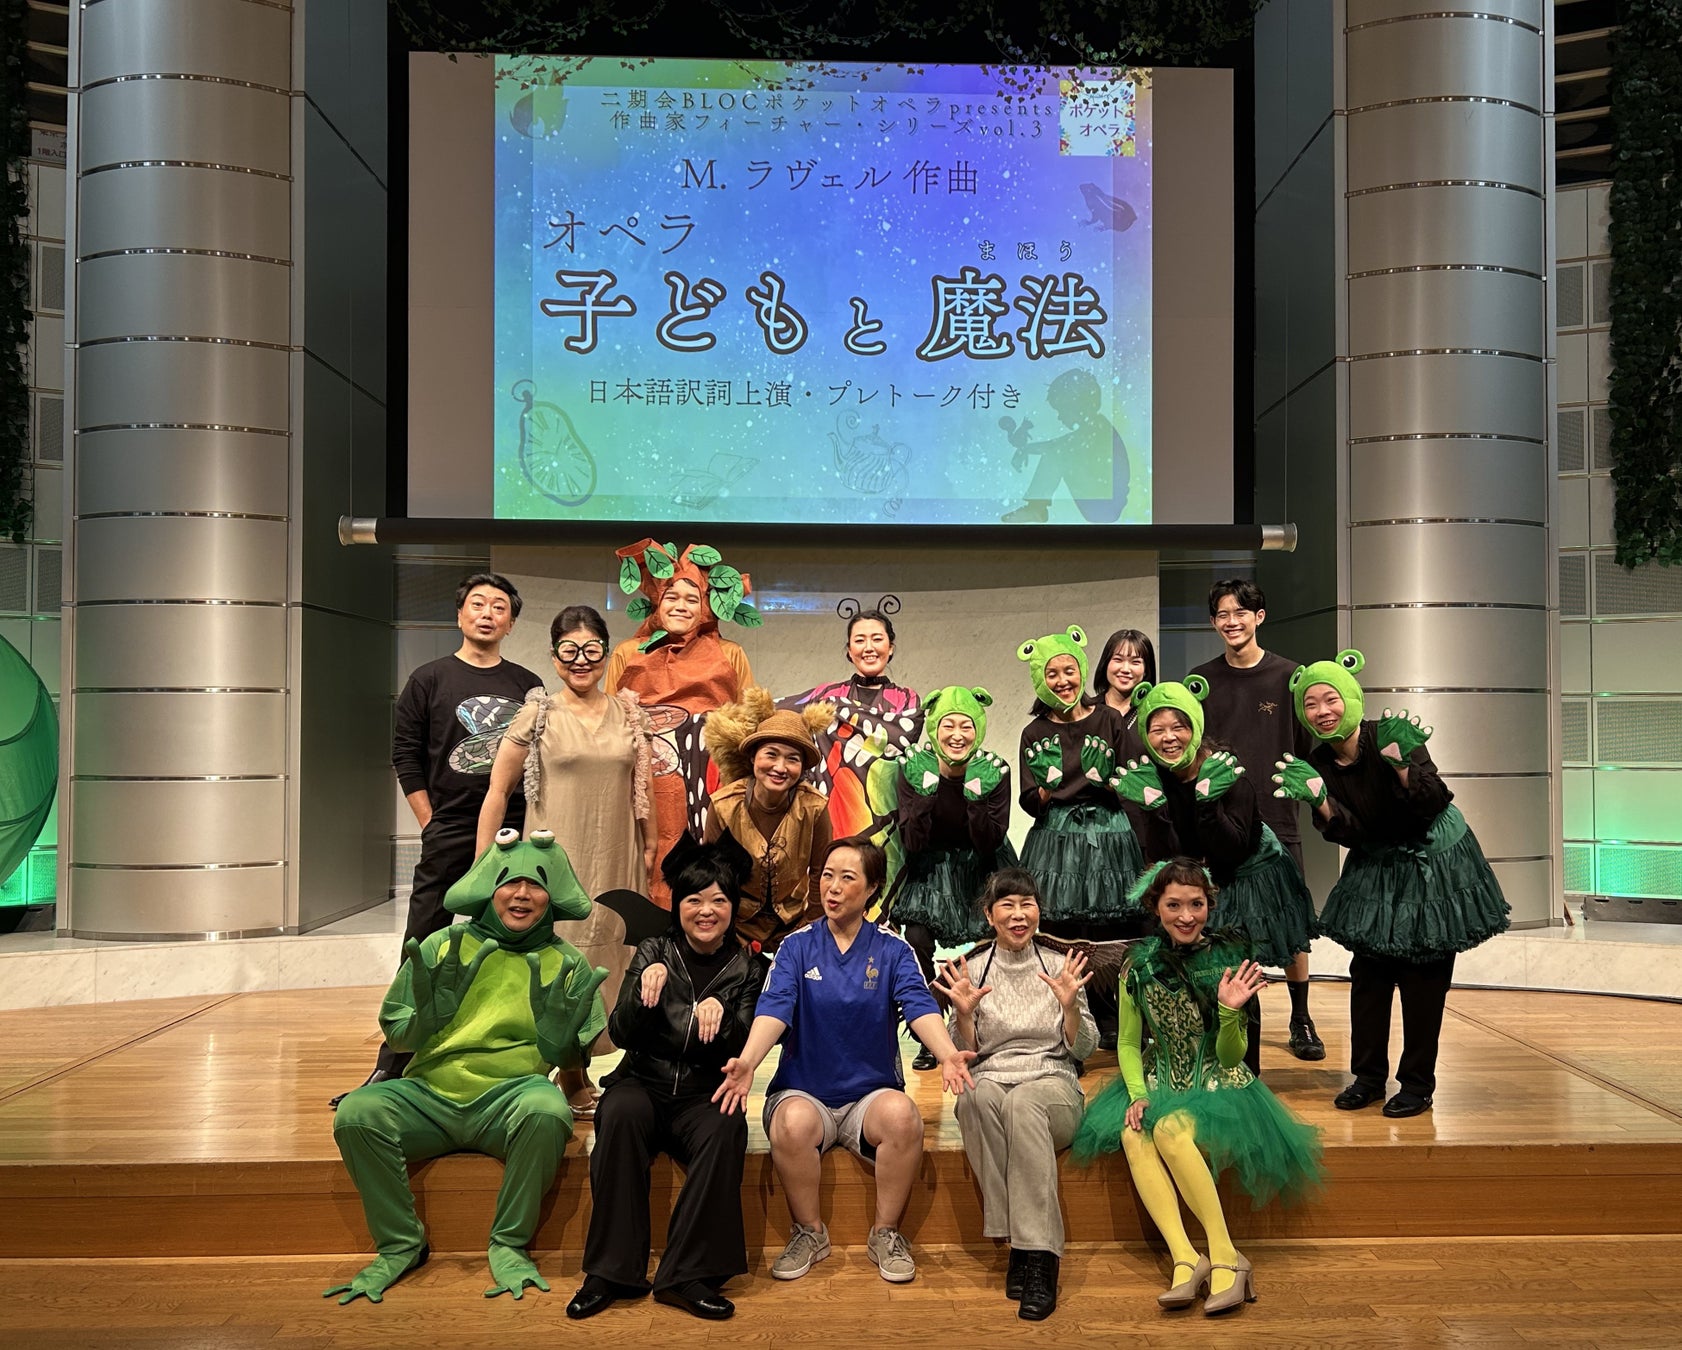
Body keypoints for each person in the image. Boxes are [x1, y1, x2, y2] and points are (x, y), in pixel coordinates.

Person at [324, 831, 608, 1306]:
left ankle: (509, 1243)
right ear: (488, 888)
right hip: (428, 1096)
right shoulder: (443, 945)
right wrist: (424, 1022)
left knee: (546, 1110)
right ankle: (399, 1244)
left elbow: (572, 1060)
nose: (522, 894)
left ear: (554, 894)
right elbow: (398, 1037)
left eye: (537, 884)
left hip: (511, 1098)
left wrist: (562, 1048)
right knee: (357, 1113)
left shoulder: (568, 963)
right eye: (509, 881)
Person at [713, 837, 977, 1285]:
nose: (832, 887)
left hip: (869, 1097)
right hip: (804, 1092)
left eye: (847, 878)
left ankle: (886, 1233)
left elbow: (918, 1005)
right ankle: (809, 1232)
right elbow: (775, 1007)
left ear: (872, 888)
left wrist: (948, 1054)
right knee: (791, 1123)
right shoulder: (796, 947)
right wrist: (749, 1061)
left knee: (903, 1117)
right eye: (827, 876)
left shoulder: (893, 950)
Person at [1073, 859, 1323, 1316]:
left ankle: (1226, 1254)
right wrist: (1138, 1093)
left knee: (1169, 1130)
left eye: (1196, 904)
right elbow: (1127, 1042)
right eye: (1174, 905)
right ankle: (1186, 1257)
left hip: (1219, 1084)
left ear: (1209, 904)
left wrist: (1230, 1012)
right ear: (1156, 907)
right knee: (1133, 1132)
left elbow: (1231, 1057)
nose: (1186, 916)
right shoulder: (1137, 965)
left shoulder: (1228, 959)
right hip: (1159, 1078)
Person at [333, 573, 543, 1105]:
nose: (487, 613)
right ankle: (393, 1063)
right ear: (460, 614)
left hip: (512, 832)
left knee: (511, 944)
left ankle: (500, 1060)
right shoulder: (428, 679)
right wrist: (431, 822)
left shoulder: (528, 684)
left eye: (499, 607)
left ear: (512, 623)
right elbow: (405, 754)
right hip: (448, 827)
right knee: (423, 943)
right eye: (478, 604)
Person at [1274, 651, 1510, 1117]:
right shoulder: (1318, 761)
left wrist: (1402, 765)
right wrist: (1321, 802)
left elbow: (1431, 802)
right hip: (1378, 860)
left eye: (1331, 699)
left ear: (1351, 698)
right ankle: (1367, 1078)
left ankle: (1417, 1085)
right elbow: (1351, 833)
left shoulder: (1389, 734)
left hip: (1431, 861)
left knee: (1424, 977)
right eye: (1311, 704)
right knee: (1369, 975)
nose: (1322, 711)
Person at [566, 832, 769, 1323]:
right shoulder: (655, 949)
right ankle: (611, 1273)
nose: (706, 910)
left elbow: (742, 1046)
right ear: (678, 905)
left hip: (704, 1092)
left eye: (718, 900)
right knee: (619, 1113)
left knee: (726, 1126)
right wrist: (642, 993)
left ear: (733, 907)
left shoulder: (748, 967)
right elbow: (621, 1032)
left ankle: (687, 1276)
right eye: (694, 900)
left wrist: (723, 1017)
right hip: (644, 1082)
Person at [1111, 677, 1318, 1076]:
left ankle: (1247, 1072)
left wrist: (1207, 803)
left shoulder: (1227, 773)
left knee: (1235, 971)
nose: (1168, 738)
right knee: (1189, 967)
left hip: (1245, 874)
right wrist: (1155, 808)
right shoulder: (1156, 778)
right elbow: (1166, 856)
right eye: (1157, 729)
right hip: (1197, 873)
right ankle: (1195, 1064)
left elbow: (1232, 849)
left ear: (1195, 726)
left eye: (1179, 726)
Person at [478, 604, 658, 1033]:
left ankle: (611, 1045)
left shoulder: (630, 714)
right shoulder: (538, 713)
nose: (581, 660)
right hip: (552, 861)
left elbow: (645, 787)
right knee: (557, 949)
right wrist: (484, 865)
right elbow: (498, 792)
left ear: (606, 654)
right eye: (569, 649)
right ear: (554, 655)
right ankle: (561, 1051)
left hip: (618, 855)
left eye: (592, 650)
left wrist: (651, 844)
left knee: (617, 943)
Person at [934, 867, 1098, 1320]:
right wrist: (962, 1014)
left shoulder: (1060, 965)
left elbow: (1084, 1048)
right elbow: (965, 1052)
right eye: (1007, 904)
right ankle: (1018, 1242)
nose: (1019, 914)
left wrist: (1070, 1007)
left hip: (1053, 1084)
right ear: (990, 915)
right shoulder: (972, 969)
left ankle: (1040, 1256)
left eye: (1027, 904)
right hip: (995, 1077)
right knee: (974, 1097)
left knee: (1023, 1102)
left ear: (1038, 912)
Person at [1189, 579, 1325, 1062]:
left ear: (1259, 616)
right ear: (1213, 622)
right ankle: (1227, 1018)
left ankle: (1301, 1018)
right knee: (1224, 924)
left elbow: (1306, 746)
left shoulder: (1289, 677)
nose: (1232, 621)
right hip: (1223, 820)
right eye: (1223, 614)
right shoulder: (1201, 681)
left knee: (1289, 923)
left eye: (1241, 612)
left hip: (1277, 818)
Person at [605, 539, 757, 907]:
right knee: (647, 865)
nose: (681, 606)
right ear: (657, 602)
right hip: (646, 782)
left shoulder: (730, 653)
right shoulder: (628, 652)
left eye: (692, 599)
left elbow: (750, 723)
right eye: (671, 596)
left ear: (705, 606)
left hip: (711, 782)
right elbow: (608, 721)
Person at [891, 685, 1017, 1070]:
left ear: (978, 730)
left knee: (997, 939)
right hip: (932, 867)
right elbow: (912, 842)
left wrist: (976, 795)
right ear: (934, 729)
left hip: (982, 865)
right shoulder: (915, 767)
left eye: (966, 725)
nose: (957, 734)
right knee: (916, 941)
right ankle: (930, 1034)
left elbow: (990, 840)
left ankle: (993, 1028)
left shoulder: (993, 769)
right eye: (948, 725)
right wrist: (924, 795)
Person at [778, 600, 923, 878]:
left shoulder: (907, 699)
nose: (869, 647)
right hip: (833, 811)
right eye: (859, 640)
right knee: (837, 881)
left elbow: (901, 737)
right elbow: (781, 712)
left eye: (877, 639)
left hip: (887, 812)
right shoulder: (827, 694)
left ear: (891, 647)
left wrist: (842, 713)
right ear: (848, 650)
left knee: (880, 881)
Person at [1015, 624, 1144, 934]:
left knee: (1114, 925)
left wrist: (1105, 780)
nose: (1063, 681)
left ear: (1081, 672)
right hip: (1056, 839)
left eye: (1069, 671)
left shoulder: (1109, 718)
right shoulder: (1034, 732)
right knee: (1058, 927)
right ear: (1040, 681)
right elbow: (1031, 803)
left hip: (1109, 833)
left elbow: (1130, 782)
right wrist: (1047, 787)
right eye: (1052, 674)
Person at [702, 692, 835, 952]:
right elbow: (711, 874)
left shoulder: (815, 807)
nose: (780, 767)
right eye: (771, 754)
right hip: (736, 926)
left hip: (795, 923)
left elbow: (822, 872)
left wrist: (810, 929)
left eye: (792, 759)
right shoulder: (723, 805)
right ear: (753, 757)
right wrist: (725, 930)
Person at [1093, 627, 1156, 763]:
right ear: (1106, 664)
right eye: (1118, 659)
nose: (1126, 669)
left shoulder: (1153, 713)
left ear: (1146, 670)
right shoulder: (1088, 710)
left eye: (1135, 662)